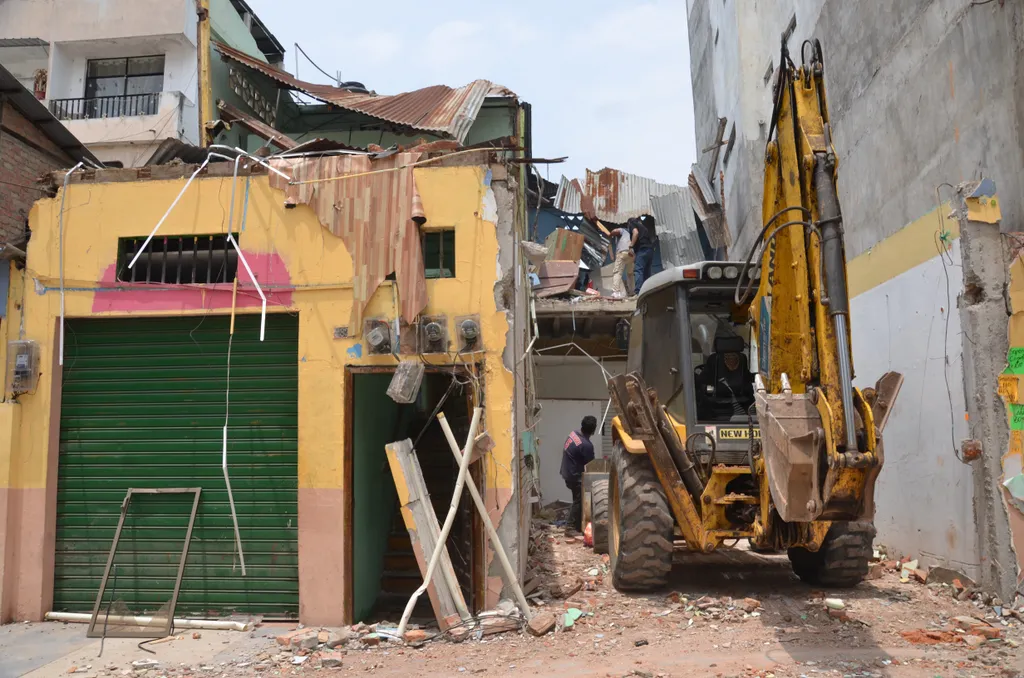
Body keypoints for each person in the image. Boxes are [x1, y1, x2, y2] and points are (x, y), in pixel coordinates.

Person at [560, 415, 597, 535]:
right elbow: (591, 464)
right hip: (573, 475)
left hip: (566, 471)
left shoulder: (573, 434)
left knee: (578, 498)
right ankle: (570, 527)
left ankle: (577, 526)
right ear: (594, 430)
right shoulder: (586, 445)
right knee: (579, 499)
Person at [630, 215, 657, 295]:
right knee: (646, 271)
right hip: (650, 250)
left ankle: (638, 292)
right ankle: (647, 292)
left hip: (642, 250)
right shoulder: (643, 228)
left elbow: (635, 233)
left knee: (638, 270)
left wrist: (631, 246)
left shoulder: (632, 223)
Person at [607, 225, 635, 298]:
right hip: (631, 254)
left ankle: (616, 292)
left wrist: (610, 234)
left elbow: (615, 231)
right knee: (630, 274)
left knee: (617, 272)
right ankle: (632, 291)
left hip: (622, 253)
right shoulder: (632, 233)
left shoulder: (623, 230)